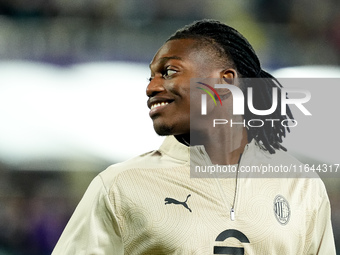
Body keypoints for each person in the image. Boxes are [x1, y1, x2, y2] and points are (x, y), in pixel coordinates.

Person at [52, 19, 336, 254]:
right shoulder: (118, 186)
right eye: (150, 76)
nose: (151, 87)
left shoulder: (301, 186)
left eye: (169, 71)